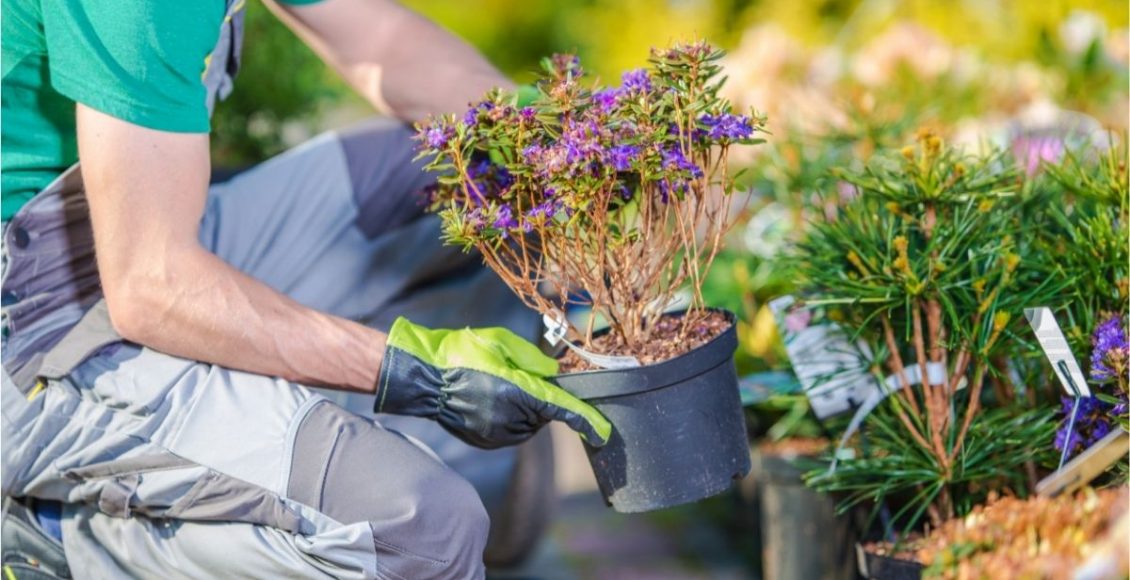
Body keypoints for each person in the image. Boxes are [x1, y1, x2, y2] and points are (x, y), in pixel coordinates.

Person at [0, 0, 612, 577]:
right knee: (420, 528)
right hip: (40, 329)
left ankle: (438, 479)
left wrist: (550, 138)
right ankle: (61, 532)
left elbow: (384, 42)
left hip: (142, 219)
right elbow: (152, 285)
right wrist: (421, 374)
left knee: (482, 174)